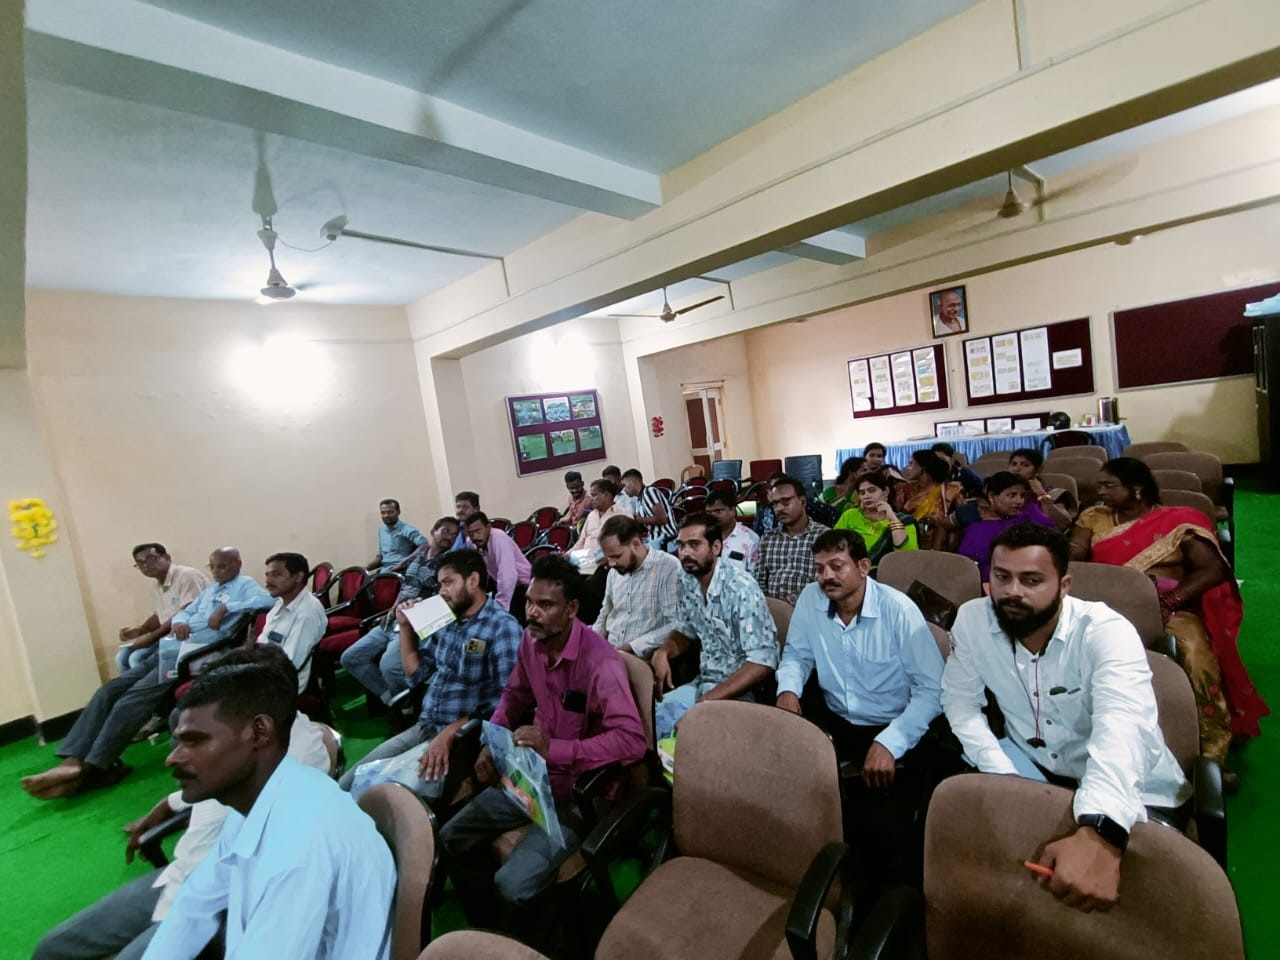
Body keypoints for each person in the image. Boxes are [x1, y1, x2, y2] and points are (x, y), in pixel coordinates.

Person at [941, 523, 1191, 913]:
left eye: (1032, 580)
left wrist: (1101, 829)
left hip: (1132, 791)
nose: (1012, 591)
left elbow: (1122, 728)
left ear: (1064, 585)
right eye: (1002, 577)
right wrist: (1001, 774)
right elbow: (961, 705)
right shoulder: (973, 620)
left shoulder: (1105, 632)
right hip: (1030, 771)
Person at [32, 646, 332, 960]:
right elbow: (216, 794)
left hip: (226, 902)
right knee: (52, 949)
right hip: (181, 876)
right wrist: (170, 802)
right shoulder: (237, 744)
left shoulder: (296, 761)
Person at [439, 555, 645, 931]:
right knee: (452, 836)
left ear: (572, 609)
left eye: (545, 605)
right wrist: (492, 740)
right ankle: (491, 929)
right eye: (530, 602)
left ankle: (542, 940)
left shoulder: (600, 664)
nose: (532, 612)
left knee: (512, 883)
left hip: (583, 793)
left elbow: (631, 741)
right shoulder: (531, 641)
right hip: (534, 778)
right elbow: (514, 695)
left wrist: (556, 750)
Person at [140, 657, 396, 958]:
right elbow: (195, 903)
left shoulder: (300, 845)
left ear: (259, 732)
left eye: (195, 740)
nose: (173, 758)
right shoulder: (256, 800)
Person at [22, 548, 274, 800]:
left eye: (223, 566)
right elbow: (187, 611)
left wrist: (226, 607)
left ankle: (92, 767)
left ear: (237, 564)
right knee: (109, 690)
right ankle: (72, 760)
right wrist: (180, 622)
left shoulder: (244, 585)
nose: (217, 572)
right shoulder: (211, 589)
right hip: (171, 647)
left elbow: (267, 601)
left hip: (196, 652)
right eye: (213, 567)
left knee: (133, 698)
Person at [1069, 458, 1269, 766]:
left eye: (1109, 486)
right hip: (1107, 607)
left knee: (1196, 656)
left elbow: (1213, 569)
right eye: (1099, 486)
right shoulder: (1093, 516)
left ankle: (1211, 752)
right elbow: (1075, 556)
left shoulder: (1180, 522)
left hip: (1169, 609)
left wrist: (1169, 602)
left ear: (1137, 489)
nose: (1100, 492)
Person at [777, 529, 945, 882]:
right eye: (819, 568)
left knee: (882, 837)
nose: (826, 577)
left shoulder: (898, 610)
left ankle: (876, 897)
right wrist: (788, 691)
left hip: (893, 727)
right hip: (835, 718)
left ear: (864, 567)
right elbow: (796, 655)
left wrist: (890, 742)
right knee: (796, 800)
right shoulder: (811, 599)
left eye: (837, 566)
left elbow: (932, 690)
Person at [339, 549, 522, 796]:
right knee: (348, 784)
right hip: (426, 726)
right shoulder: (446, 617)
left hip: (463, 739)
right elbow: (415, 675)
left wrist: (450, 733)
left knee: (379, 798)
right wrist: (405, 627)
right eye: (440, 584)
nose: (441, 591)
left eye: (448, 582)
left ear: (473, 580)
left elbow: (506, 703)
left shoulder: (501, 627)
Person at [652, 513, 779, 739]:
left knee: (700, 739)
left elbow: (763, 662)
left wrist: (707, 702)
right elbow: (686, 630)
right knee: (651, 725)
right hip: (704, 683)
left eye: (694, 545)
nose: (685, 553)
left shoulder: (741, 588)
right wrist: (665, 650)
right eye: (681, 545)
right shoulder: (687, 578)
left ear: (716, 547)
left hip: (741, 691)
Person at [341, 516, 461, 705]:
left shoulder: (449, 564)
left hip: (416, 622)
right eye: (445, 531)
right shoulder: (421, 552)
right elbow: (405, 586)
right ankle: (392, 698)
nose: (449, 537)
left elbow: (444, 599)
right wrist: (391, 611)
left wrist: (412, 616)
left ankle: (407, 706)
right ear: (433, 531)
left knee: (389, 666)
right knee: (351, 657)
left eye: (454, 535)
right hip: (395, 617)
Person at [593, 515, 682, 659]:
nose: (611, 563)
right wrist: (593, 641)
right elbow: (606, 612)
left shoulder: (668, 567)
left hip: (642, 657)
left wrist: (632, 647)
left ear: (636, 544)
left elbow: (676, 624)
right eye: (608, 557)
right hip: (609, 652)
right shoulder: (614, 573)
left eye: (617, 556)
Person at [116, 543, 209, 674]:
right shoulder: (156, 586)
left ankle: (151, 686)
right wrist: (141, 630)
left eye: (151, 558)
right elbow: (159, 615)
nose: (145, 565)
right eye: (140, 563)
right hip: (168, 636)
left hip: (190, 635)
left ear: (167, 558)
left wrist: (150, 638)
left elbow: (187, 612)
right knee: (122, 656)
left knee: (137, 657)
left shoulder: (187, 576)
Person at [955, 472, 1056, 582]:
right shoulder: (976, 530)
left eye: (1022, 496)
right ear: (992, 496)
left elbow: (1052, 535)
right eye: (1012, 495)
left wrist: (1041, 496)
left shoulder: (1028, 516)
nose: (1019, 501)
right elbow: (968, 569)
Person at [258, 552, 329, 692]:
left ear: (298, 577)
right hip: (266, 670)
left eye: (276, 575)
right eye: (267, 575)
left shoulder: (307, 614)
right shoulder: (280, 603)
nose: (268, 581)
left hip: (283, 683)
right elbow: (262, 643)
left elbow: (291, 663)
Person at [755, 475, 829, 604]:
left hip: (810, 606)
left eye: (785, 502)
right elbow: (758, 579)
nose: (779, 508)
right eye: (775, 504)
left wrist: (787, 603)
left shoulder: (824, 536)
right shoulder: (768, 539)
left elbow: (824, 581)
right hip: (771, 609)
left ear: (803, 501)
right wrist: (767, 604)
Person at [834, 472, 918, 575]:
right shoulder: (850, 515)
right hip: (852, 572)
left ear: (885, 492)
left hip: (887, 574)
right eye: (862, 493)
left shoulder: (904, 520)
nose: (866, 496)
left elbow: (907, 554)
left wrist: (892, 518)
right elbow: (834, 545)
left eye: (871, 490)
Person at [465, 512, 532, 615]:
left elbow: (507, 575)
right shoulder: (471, 542)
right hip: (500, 584)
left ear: (488, 527)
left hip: (524, 587)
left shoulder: (499, 538)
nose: (475, 537)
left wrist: (501, 608)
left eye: (478, 531)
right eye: (470, 533)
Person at [896, 450, 963, 550]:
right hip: (910, 544)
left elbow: (962, 522)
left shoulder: (949, 491)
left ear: (923, 468)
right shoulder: (905, 490)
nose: (907, 468)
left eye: (911, 464)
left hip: (941, 546)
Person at [1006, 447, 1076, 529]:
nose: (1016, 469)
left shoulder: (1053, 493)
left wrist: (1041, 494)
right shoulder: (1000, 492)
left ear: (1037, 470)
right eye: (1014, 464)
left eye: (1025, 465)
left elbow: (1062, 525)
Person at [568, 478, 632, 557]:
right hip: (585, 559)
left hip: (609, 559)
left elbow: (628, 543)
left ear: (607, 495)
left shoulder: (623, 514)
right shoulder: (591, 515)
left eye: (594, 495)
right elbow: (581, 542)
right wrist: (567, 554)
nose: (591, 499)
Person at [620, 468, 677, 550]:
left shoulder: (649, 492)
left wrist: (639, 520)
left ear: (633, 482)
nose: (624, 490)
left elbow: (662, 519)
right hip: (654, 538)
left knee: (634, 552)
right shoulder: (639, 499)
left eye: (625, 485)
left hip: (665, 539)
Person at [705, 488, 760, 572]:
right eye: (709, 512)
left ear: (733, 510)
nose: (712, 516)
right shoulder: (702, 536)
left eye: (718, 511)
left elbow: (755, 575)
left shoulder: (750, 539)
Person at [368, 498, 426, 571]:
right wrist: (367, 568)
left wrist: (404, 562)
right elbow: (381, 555)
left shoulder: (407, 529)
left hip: (400, 570)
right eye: (383, 513)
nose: (386, 516)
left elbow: (424, 545)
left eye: (390, 512)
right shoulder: (381, 529)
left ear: (398, 512)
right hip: (384, 569)